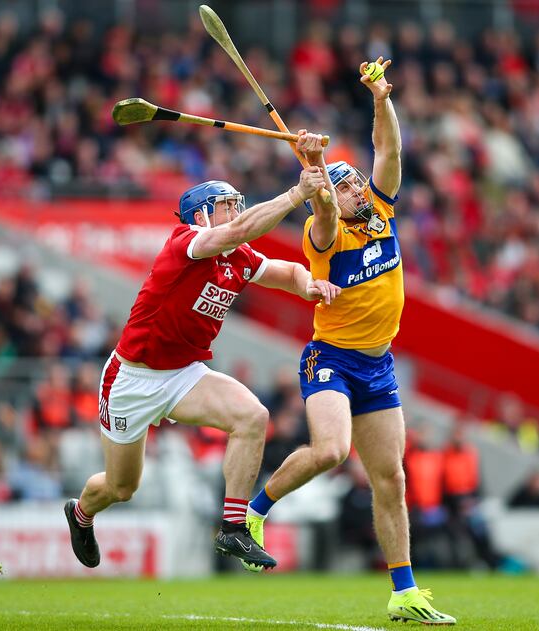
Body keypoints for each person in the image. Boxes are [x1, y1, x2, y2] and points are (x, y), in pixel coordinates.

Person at [64, 132, 341, 572]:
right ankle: (81, 514)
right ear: (201, 216)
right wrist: (295, 194)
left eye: (236, 203)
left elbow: (285, 271)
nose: (235, 212)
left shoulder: (239, 257)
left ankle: (232, 528)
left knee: (253, 416)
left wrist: (310, 283)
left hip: (183, 374)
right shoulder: (186, 243)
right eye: (226, 205)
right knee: (121, 487)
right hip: (132, 379)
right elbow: (241, 229)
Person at [246, 58, 456, 624]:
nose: (359, 186)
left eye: (357, 180)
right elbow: (321, 210)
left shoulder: (383, 210)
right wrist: (313, 166)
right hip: (331, 360)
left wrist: (381, 97)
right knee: (333, 451)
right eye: (348, 184)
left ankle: (405, 591)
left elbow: (389, 152)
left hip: (378, 365)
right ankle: (254, 511)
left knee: (391, 478)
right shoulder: (326, 235)